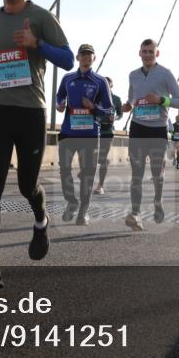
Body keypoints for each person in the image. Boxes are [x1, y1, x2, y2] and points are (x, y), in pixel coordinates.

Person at [0, 0, 73, 289]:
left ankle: (41, 221)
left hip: (29, 112)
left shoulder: (42, 17)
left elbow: (68, 60)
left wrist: (37, 45)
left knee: (28, 185)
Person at [121, 39, 179, 230]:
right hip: (138, 128)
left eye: (151, 52)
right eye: (144, 51)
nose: (147, 55)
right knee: (137, 175)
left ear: (157, 54)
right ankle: (136, 214)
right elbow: (132, 99)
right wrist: (127, 106)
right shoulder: (133, 75)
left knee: (158, 174)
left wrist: (161, 99)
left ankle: (158, 201)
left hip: (157, 130)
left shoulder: (165, 74)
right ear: (139, 53)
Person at [56, 44, 113, 226]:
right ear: (78, 57)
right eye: (83, 54)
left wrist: (93, 107)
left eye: (90, 55)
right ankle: (72, 202)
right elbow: (59, 96)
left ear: (94, 58)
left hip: (89, 134)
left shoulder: (100, 81)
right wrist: (60, 103)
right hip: (67, 132)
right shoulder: (67, 78)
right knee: (65, 171)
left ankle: (83, 212)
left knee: (87, 174)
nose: (86, 57)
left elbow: (109, 110)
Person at [94, 76, 123, 195]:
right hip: (94, 130)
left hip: (108, 131)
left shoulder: (116, 99)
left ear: (111, 86)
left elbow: (120, 114)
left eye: (107, 85)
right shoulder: (95, 97)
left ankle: (100, 186)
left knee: (103, 159)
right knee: (92, 157)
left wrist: (115, 118)